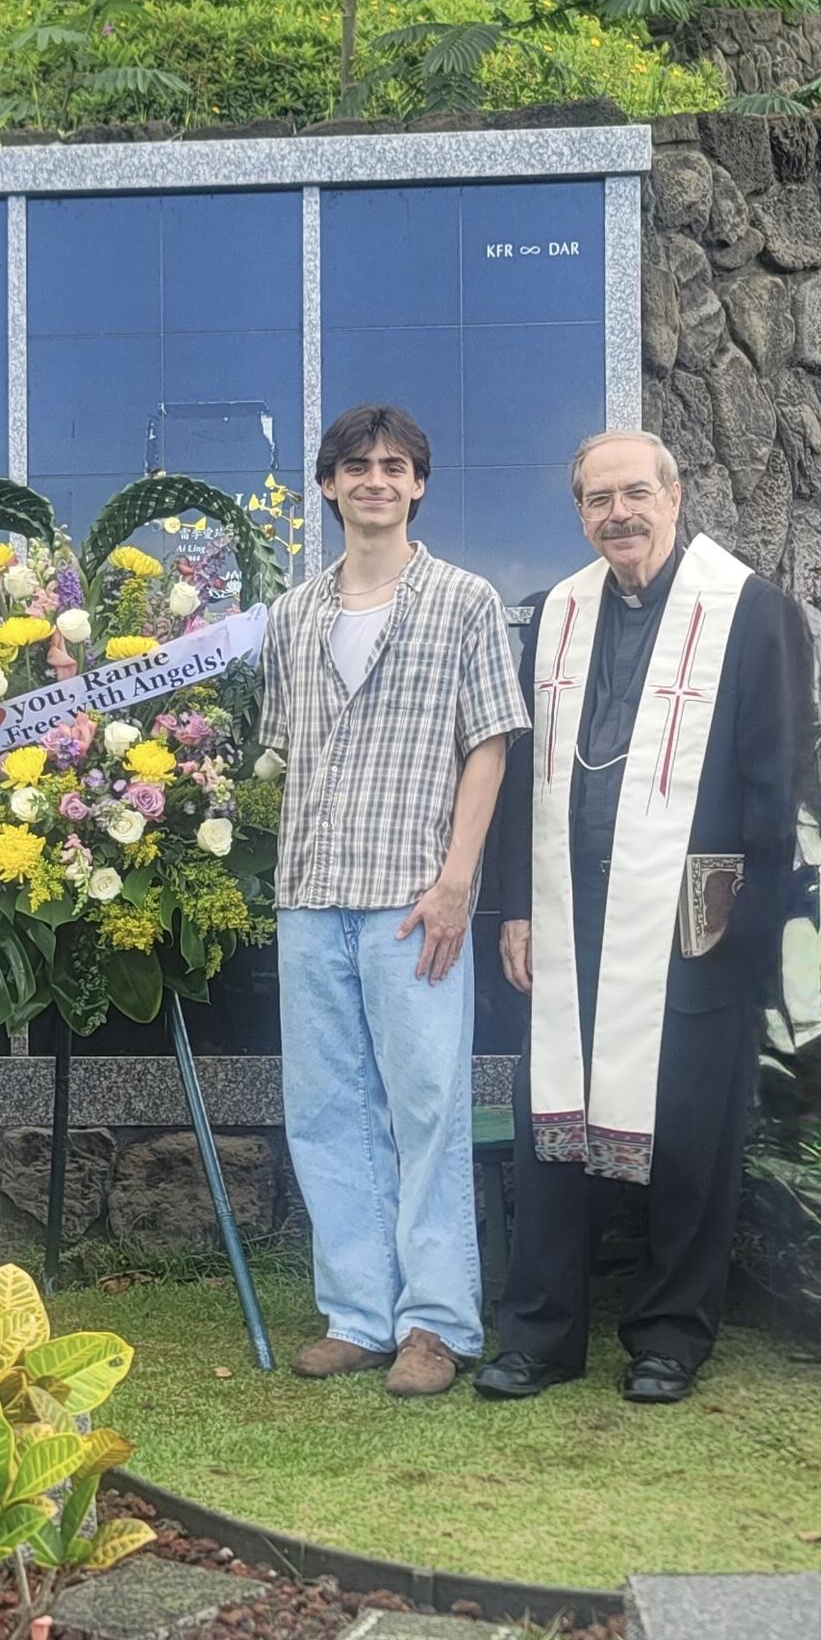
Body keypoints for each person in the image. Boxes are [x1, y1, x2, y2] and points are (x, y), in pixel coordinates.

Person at [478, 430, 816, 1407]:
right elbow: (516, 783)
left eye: (634, 493)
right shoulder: (554, 617)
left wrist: (748, 920)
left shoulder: (751, 614)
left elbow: (779, 778)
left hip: (691, 910)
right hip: (563, 907)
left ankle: (670, 1334)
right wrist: (512, 907)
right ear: (580, 514)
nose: (616, 514)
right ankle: (540, 1333)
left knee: (691, 1130)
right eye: (596, 500)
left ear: (673, 496)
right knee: (550, 1127)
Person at [259, 404, 528, 1398]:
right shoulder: (293, 615)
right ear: (329, 486)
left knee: (425, 1107)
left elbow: (489, 745)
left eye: (394, 467)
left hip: (415, 897)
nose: (375, 480)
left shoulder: (464, 601)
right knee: (327, 1111)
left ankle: (435, 1322)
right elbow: (285, 754)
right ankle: (358, 1315)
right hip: (311, 894)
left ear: (418, 485)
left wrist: (459, 880)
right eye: (356, 467)